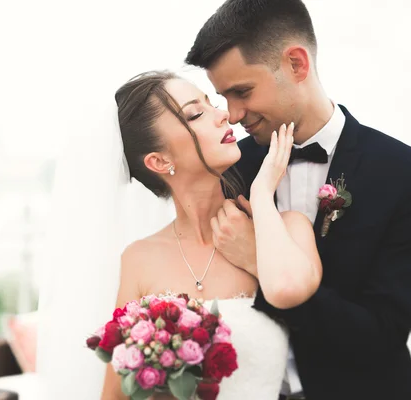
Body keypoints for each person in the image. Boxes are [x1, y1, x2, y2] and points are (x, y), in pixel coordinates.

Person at [184, 0, 411, 399]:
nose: (233, 115)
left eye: (242, 91)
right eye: (223, 97)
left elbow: (382, 335)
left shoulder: (399, 171)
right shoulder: (230, 170)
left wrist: (261, 261)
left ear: (297, 64)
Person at [100, 70, 322, 399]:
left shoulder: (289, 228)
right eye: (196, 114)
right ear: (159, 161)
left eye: (210, 103)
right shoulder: (138, 260)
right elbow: (115, 395)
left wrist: (262, 194)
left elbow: (292, 290)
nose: (223, 115)